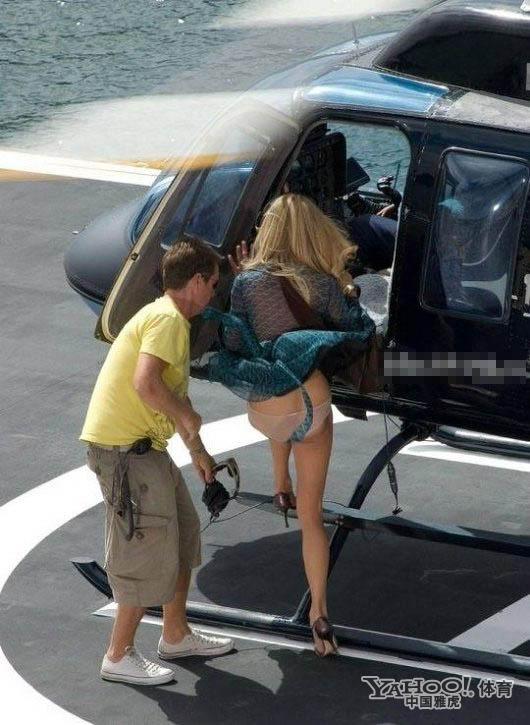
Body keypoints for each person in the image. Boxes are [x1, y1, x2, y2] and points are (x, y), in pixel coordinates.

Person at [209, 193, 375, 656]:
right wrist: (346, 289)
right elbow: (360, 328)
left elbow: (233, 340)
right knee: (312, 516)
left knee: (276, 392)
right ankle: (319, 613)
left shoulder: (248, 282)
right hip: (310, 401)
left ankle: (279, 482)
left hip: (266, 409)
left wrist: (241, 282)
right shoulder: (320, 283)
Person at [81, 236, 234, 686]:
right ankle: (118, 655)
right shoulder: (168, 319)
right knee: (144, 548)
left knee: (182, 531)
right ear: (196, 281)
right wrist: (186, 416)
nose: (214, 293)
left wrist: (198, 452)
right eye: (213, 283)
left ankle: (175, 634)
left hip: (144, 448)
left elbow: (171, 394)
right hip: (125, 454)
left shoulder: (169, 320)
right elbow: (146, 384)